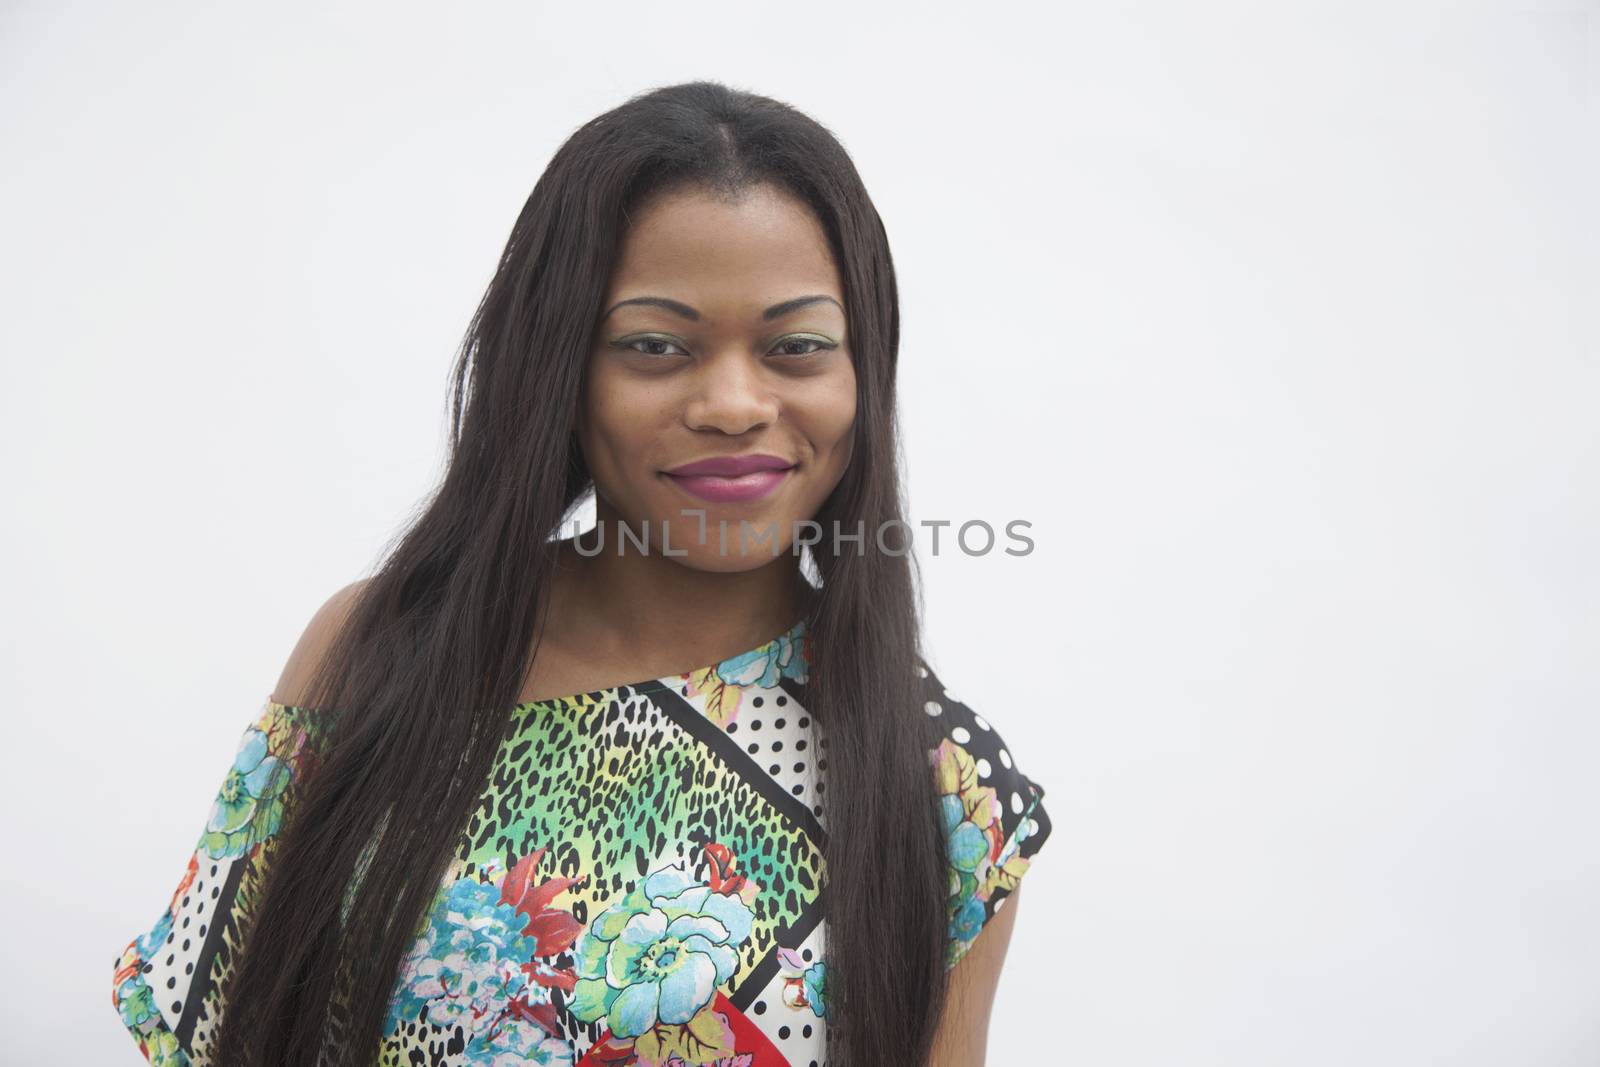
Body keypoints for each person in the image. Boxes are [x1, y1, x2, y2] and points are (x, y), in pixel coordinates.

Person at [110, 80, 1052, 1067]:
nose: (734, 402)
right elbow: (228, 1025)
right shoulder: (386, 646)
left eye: (796, 346)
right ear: (557, 366)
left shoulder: (943, 787)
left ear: (862, 374)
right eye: (655, 344)